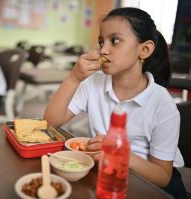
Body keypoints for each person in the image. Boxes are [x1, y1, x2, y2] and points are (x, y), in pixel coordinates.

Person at [44, 7, 187, 199]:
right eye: (101, 41)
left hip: (151, 186)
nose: (103, 49)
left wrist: (119, 153)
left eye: (115, 40)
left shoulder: (162, 104)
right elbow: (50, 122)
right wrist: (73, 79)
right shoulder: (93, 83)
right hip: (107, 174)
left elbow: (163, 176)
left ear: (144, 50)